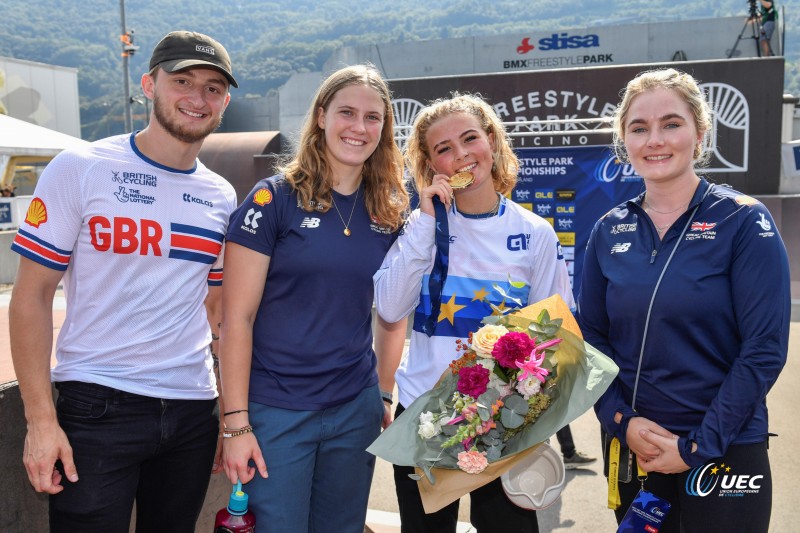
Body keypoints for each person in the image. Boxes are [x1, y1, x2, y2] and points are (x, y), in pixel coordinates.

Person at [9, 30, 238, 532]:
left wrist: (227, 415)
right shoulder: (82, 168)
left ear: (224, 101)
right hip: (97, 406)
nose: (197, 98)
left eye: (213, 88)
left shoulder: (221, 195)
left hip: (192, 410)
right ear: (149, 83)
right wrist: (41, 422)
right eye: (183, 81)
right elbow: (30, 297)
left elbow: (216, 311)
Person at [577, 68, 790, 532]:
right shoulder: (608, 228)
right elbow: (590, 338)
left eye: (671, 123)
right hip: (639, 451)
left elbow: (764, 349)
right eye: (639, 128)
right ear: (624, 141)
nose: (655, 140)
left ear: (700, 131)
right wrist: (620, 420)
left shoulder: (743, 222)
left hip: (726, 451)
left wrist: (696, 446)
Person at [219, 64, 409, 532]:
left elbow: (392, 312)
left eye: (373, 117)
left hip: (354, 408)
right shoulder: (273, 200)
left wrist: (382, 392)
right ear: (321, 116)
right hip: (275, 412)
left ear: (384, 129)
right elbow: (234, 320)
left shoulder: (389, 208)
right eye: (347, 112)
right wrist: (236, 424)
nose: (359, 128)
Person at [373, 93, 574, 532]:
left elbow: (555, 336)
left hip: (502, 417)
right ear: (430, 165)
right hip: (426, 414)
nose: (461, 155)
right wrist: (425, 222)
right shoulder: (421, 226)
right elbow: (389, 308)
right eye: (444, 149)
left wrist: (519, 407)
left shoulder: (534, 233)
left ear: (492, 142)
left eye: (470, 139)